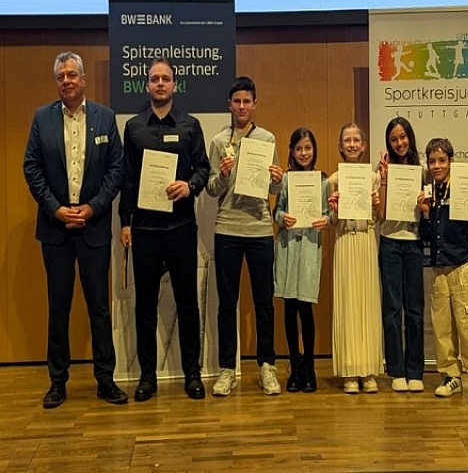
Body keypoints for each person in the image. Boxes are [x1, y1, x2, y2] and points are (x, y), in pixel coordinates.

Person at [23, 51, 128, 408]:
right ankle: (57, 381)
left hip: (93, 227)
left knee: (99, 307)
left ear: (83, 79)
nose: (66, 81)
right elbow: (31, 168)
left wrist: (93, 207)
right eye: (61, 76)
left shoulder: (105, 118)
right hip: (56, 230)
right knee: (58, 307)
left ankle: (105, 380)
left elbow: (117, 169)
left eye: (72, 75)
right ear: (57, 82)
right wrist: (56, 209)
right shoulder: (42, 118)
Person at [118, 57, 210, 402]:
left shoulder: (190, 126)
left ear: (174, 85)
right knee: (145, 305)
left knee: (187, 303)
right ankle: (147, 377)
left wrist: (190, 185)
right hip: (145, 229)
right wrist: (124, 221)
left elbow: (203, 168)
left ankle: (192, 374)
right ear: (147, 85)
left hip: (181, 227)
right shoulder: (133, 127)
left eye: (165, 78)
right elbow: (128, 179)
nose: (160, 83)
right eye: (154, 78)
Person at [207, 76, 284, 396]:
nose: (241, 106)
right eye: (237, 101)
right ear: (229, 104)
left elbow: (275, 188)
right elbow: (211, 189)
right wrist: (223, 175)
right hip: (227, 228)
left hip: (259, 228)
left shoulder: (267, 139)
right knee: (227, 303)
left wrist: (278, 179)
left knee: (264, 302)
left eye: (247, 101)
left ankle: (267, 366)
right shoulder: (218, 142)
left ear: (255, 105)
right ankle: (227, 369)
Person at [417, 138, 468, 404]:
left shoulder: (461, 188)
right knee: (442, 328)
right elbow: (426, 235)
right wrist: (425, 213)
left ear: (451, 161)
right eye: (432, 161)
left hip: (461, 266)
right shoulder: (429, 193)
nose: (436, 166)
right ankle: (451, 376)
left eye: (441, 160)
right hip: (439, 269)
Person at [328, 122, 384, 394]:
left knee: (367, 303)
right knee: (348, 303)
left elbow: (380, 217)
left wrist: (377, 205)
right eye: (347, 140)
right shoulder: (333, 180)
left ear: (363, 146)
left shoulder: (373, 179)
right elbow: (331, 221)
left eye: (356, 140)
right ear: (340, 146)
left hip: (366, 239)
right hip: (344, 241)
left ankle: (369, 370)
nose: (351, 145)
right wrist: (334, 208)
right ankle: (350, 371)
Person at [273, 127, 329, 393]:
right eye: (299, 149)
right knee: (289, 307)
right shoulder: (285, 180)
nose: (304, 153)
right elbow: (277, 211)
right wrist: (281, 218)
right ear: (292, 152)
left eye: (308, 148)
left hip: (308, 248)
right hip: (287, 248)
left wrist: (325, 220)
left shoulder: (322, 181)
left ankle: (309, 366)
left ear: (314, 150)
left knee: (306, 309)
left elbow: (329, 213)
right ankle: (294, 365)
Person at [377, 117, 425, 393]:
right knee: (393, 309)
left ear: (410, 138)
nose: (399, 143)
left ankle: (415, 370)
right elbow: (382, 213)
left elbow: (428, 210)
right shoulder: (384, 170)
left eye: (403, 137)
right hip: (390, 244)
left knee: (415, 310)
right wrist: (384, 181)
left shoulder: (422, 170)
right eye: (394, 139)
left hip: (414, 243)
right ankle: (396, 370)